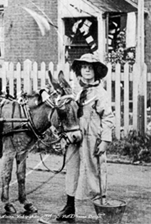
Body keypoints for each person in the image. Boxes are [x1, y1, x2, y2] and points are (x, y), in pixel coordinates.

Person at [56, 53, 114, 222]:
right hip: (74, 137)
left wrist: (104, 141)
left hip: (92, 139)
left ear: (95, 71)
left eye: (90, 67)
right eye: (84, 67)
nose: (87, 70)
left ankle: (101, 210)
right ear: (79, 70)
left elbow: (108, 118)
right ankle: (69, 207)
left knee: (94, 172)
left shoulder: (100, 93)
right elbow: (65, 112)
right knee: (72, 171)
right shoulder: (74, 90)